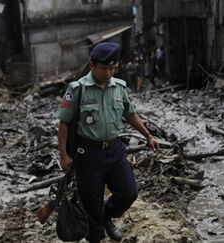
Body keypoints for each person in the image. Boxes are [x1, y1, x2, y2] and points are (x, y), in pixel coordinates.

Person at [57, 42, 159, 243]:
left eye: (112, 68)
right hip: (88, 155)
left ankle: (107, 214)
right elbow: (64, 123)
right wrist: (63, 155)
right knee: (91, 210)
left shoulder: (119, 87)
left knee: (128, 193)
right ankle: (97, 230)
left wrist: (148, 136)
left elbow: (131, 114)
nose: (108, 73)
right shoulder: (77, 89)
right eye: (104, 68)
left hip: (115, 151)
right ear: (92, 65)